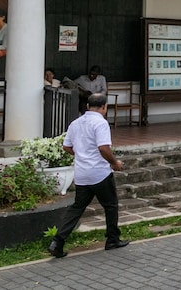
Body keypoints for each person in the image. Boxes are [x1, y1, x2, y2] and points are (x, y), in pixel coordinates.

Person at [48, 93, 129, 258]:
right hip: (100, 173)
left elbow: (66, 147)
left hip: (82, 174)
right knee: (110, 205)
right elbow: (103, 148)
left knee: (77, 208)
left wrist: (82, 154)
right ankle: (112, 239)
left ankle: (58, 241)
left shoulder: (75, 123)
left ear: (87, 106)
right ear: (104, 107)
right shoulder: (101, 123)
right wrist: (114, 163)